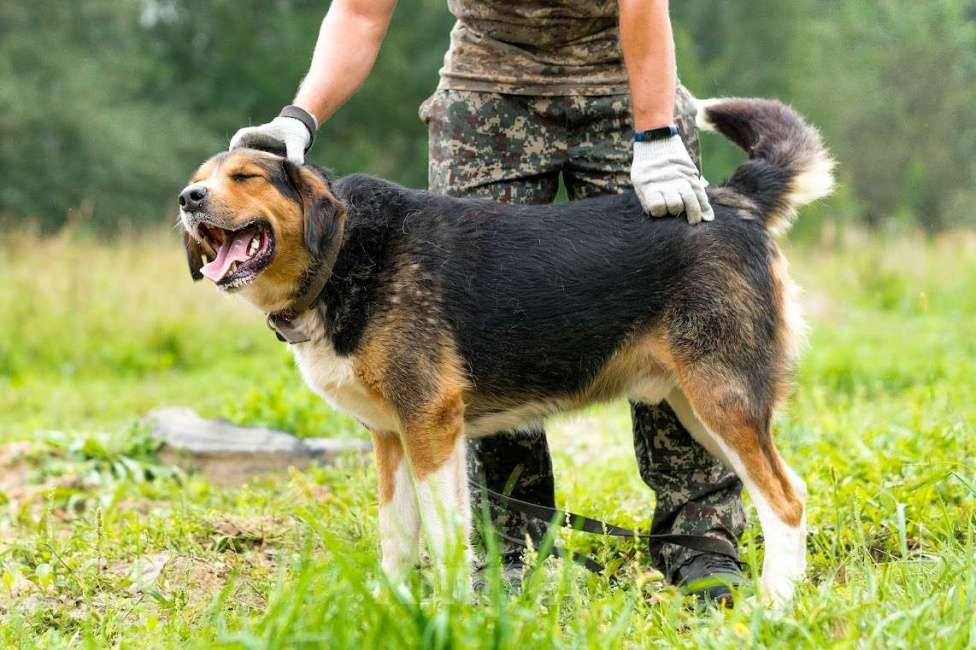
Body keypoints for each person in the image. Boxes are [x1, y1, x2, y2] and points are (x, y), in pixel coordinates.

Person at [231, 0, 746, 603]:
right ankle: (508, 547)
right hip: (487, 91)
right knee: (471, 334)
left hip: (625, 81)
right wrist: (300, 118)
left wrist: (655, 131)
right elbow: (361, 13)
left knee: (668, 294)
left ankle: (699, 537)